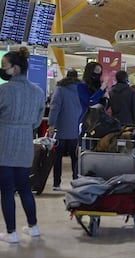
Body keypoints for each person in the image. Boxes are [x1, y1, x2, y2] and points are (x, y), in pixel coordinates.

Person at [0, 47, 45, 243]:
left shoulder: (4, 90)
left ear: (15, 69)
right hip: (25, 142)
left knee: (7, 189)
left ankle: (11, 232)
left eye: (5, 66)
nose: (3, 70)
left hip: (5, 142)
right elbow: (37, 122)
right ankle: (33, 227)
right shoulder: (37, 91)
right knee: (25, 188)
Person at [47, 69, 82, 191]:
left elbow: (54, 107)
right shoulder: (81, 89)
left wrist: (51, 124)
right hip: (76, 129)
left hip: (61, 128)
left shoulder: (60, 89)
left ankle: (57, 183)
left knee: (58, 157)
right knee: (75, 157)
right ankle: (76, 181)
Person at [77, 61, 108, 131]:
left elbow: (105, 105)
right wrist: (101, 90)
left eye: (100, 72)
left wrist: (106, 97)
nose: (98, 74)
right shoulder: (81, 86)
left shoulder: (100, 86)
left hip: (100, 120)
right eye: (97, 70)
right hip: (86, 120)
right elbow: (90, 102)